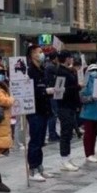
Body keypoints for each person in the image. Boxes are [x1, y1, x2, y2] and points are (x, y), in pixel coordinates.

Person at [26, 44, 54, 181]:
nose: (42, 54)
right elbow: (29, 91)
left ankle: (40, 166)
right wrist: (44, 91)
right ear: (32, 54)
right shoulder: (29, 71)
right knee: (35, 139)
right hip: (34, 109)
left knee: (41, 140)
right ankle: (33, 169)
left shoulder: (42, 70)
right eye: (39, 52)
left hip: (44, 108)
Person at [54, 51, 81, 170]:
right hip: (64, 105)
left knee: (69, 132)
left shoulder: (68, 71)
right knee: (66, 132)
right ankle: (64, 158)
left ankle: (68, 156)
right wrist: (77, 87)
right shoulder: (61, 72)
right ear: (66, 59)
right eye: (70, 57)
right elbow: (60, 90)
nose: (72, 60)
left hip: (70, 105)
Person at [79, 64, 97, 163]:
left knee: (95, 133)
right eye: (93, 70)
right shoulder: (85, 84)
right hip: (88, 111)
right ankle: (88, 154)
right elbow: (82, 98)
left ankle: (92, 152)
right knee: (88, 133)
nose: (95, 72)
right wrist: (91, 98)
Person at [44, 50, 60, 143]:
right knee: (53, 114)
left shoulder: (49, 66)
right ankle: (52, 134)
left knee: (53, 114)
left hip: (52, 93)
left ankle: (52, 133)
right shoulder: (51, 67)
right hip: (52, 93)